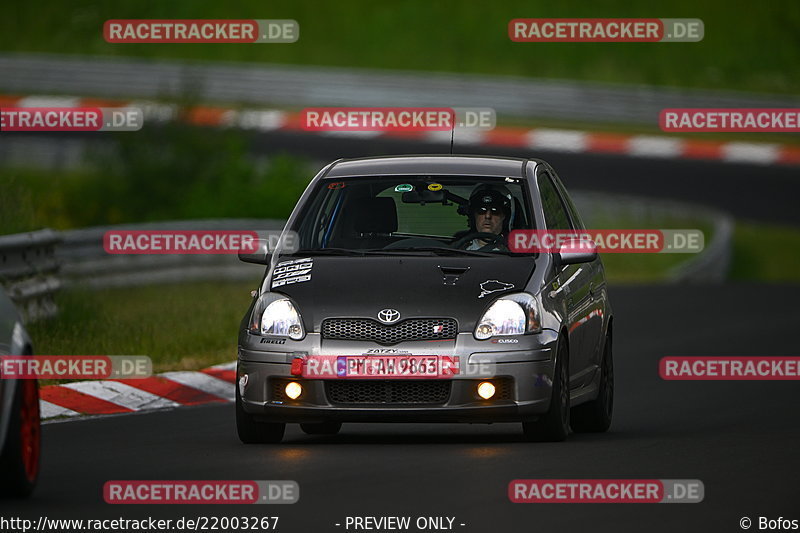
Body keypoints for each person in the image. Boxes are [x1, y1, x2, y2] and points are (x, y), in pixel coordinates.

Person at [458, 186, 513, 251]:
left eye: (494, 210)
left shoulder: (513, 251)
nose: (488, 216)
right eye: (482, 210)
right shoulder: (459, 248)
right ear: (474, 216)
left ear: (504, 217)